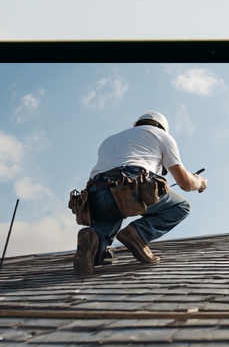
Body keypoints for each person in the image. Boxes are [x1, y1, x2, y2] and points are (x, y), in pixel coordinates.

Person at [73, 111, 207, 277]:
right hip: (133, 184)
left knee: (105, 236)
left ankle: (92, 236)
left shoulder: (110, 140)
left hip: (96, 192)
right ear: (163, 127)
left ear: (137, 124)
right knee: (181, 206)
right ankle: (138, 233)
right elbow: (185, 183)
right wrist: (199, 181)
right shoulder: (161, 136)